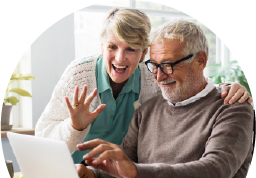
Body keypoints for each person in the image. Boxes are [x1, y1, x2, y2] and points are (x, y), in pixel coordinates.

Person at [75, 20, 254, 178]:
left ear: (200, 61)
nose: (159, 76)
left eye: (168, 65)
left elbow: (215, 173)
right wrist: (94, 176)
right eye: (154, 65)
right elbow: (121, 173)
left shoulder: (232, 108)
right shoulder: (148, 110)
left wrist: (135, 171)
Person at [35, 7, 252, 164]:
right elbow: (42, 141)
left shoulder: (153, 76)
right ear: (101, 47)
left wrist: (226, 87)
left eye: (130, 49)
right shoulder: (79, 74)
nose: (120, 59)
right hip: (71, 174)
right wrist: (75, 127)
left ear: (143, 53)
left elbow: (189, 84)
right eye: (112, 47)